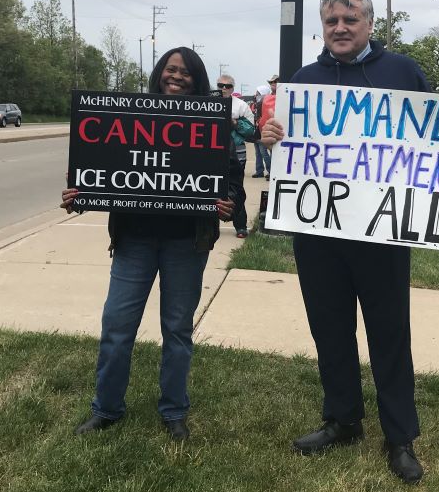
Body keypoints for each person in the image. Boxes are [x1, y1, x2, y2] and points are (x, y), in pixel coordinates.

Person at [261, 0, 439, 484]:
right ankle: (342, 420)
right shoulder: (305, 81)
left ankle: (399, 436)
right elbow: (286, 142)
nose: (340, 27)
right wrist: (271, 136)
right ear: (323, 25)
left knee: (389, 334)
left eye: (350, 19)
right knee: (329, 329)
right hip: (318, 233)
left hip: (382, 231)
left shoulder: (402, 72)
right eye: (332, 19)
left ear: (369, 24)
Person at [61, 46, 235, 442]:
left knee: (177, 330)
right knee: (117, 326)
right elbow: (100, 172)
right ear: (159, 73)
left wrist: (229, 204)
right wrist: (80, 195)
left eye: (186, 72)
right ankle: (106, 409)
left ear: (198, 80)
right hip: (134, 240)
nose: (177, 77)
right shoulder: (128, 114)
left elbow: (230, 179)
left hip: (186, 245)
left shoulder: (211, 123)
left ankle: (174, 412)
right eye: (171, 70)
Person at [216, 73, 255, 238]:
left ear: (233, 88)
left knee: (236, 188)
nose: (224, 89)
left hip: (236, 152)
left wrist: (235, 123)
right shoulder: (206, 102)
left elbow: (250, 130)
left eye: (228, 86)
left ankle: (240, 226)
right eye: (221, 85)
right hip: (213, 152)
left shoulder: (241, 106)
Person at [251, 75, 278, 177]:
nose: (273, 83)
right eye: (271, 82)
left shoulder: (284, 95)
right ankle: (261, 171)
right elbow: (259, 113)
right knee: (260, 151)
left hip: (274, 128)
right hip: (261, 128)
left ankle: (271, 171)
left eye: (275, 81)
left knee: (266, 151)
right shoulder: (266, 99)